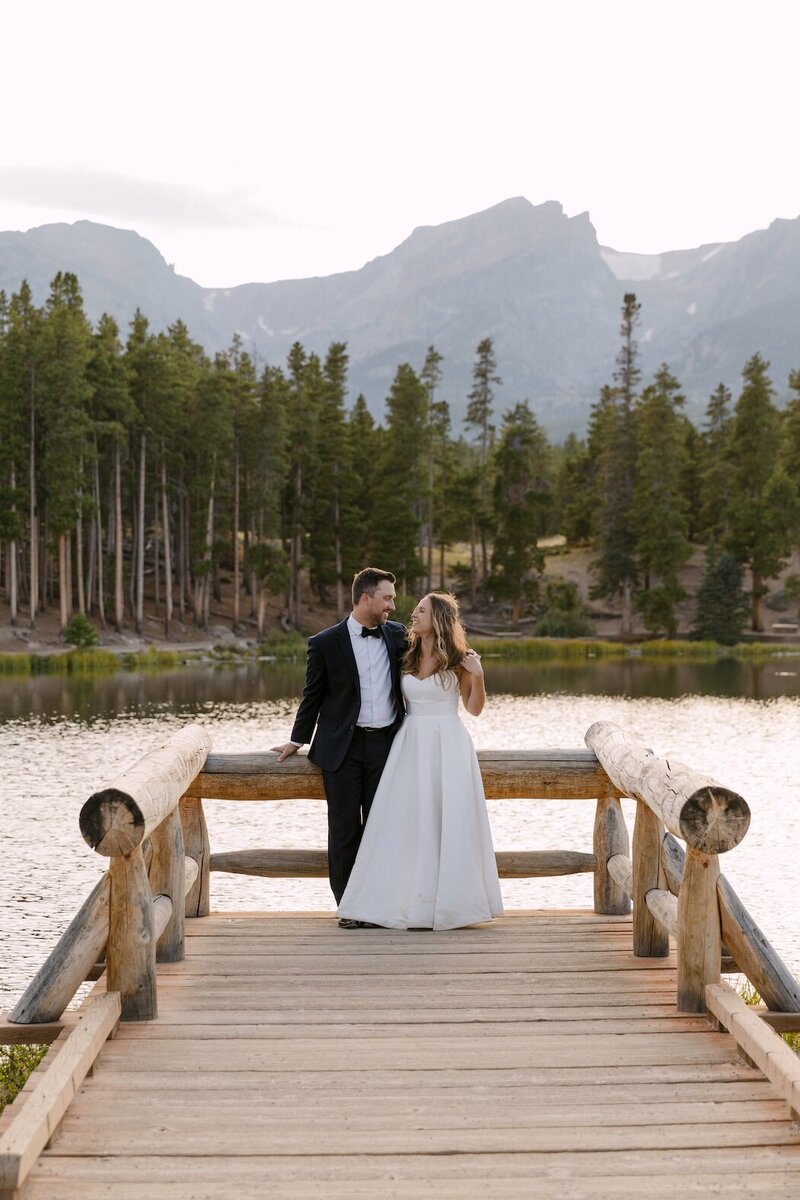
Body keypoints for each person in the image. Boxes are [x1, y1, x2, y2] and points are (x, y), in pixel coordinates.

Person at [337, 592, 503, 931]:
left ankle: (449, 905)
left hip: (449, 744)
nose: (413, 615)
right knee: (405, 821)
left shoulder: (460, 658)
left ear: (438, 617)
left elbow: (473, 709)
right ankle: (405, 902)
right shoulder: (407, 654)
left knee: (447, 821)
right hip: (410, 743)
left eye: (421, 611)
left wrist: (480, 674)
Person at [271, 568, 406, 922]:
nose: (393, 604)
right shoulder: (324, 642)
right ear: (366, 598)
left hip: (387, 747)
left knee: (381, 828)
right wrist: (297, 739)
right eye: (387, 597)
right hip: (342, 751)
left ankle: (379, 904)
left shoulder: (398, 636)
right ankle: (349, 907)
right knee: (344, 830)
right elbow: (312, 695)